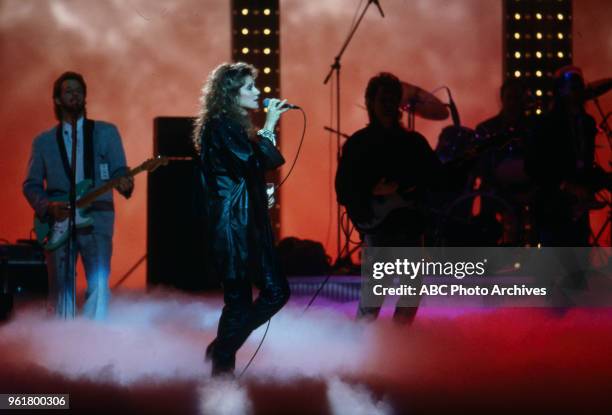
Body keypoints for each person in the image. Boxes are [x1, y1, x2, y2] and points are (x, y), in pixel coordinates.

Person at [193, 62, 290, 376]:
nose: (258, 92)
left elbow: (251, 168)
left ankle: (222, 357)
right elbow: (257, 160)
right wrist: (270, 124)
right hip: (234, 227)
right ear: (230, 93)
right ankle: (222, 358)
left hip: (243, 223)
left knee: (258, 297)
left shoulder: (228, 125)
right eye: (249, 87)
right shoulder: (220, 126)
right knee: (251, 298)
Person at [23, 71, 133, 320]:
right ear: (58, 100)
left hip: (98, 217)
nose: (75, 94)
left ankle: (93, 342)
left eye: (79, 90)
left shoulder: (106, 132)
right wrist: (48, 206)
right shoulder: (43, 142)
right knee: (60, 288)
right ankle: (62, 342)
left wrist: (125, 181)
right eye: (68, 91)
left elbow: (120, 170)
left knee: (98, 284)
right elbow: (31, 184)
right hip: (58, 221)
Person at [335, 72, 443, 324]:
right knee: (373, 296)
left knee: (410, 294)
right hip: (378, 226)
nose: (388, 104)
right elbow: (343, 188)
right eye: (383, 99)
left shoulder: (413, 142)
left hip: (409, 225)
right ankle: (362, 352)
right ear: (371, 102)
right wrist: (372, 190)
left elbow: (436, 178)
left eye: (392, 99)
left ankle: (397, 347)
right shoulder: (358, 144)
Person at [526, 66, 598, 247]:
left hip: (577, 207)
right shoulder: (545, 124)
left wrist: (598, 181)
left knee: (577, 267)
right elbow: (534, 167)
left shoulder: (587, 123)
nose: (576, 91)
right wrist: (566, 185)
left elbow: (584, 164)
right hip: (552, 206)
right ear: (559, 90)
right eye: (571, 86)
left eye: (578, 86)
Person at [472, 78, 537, 246]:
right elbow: (481, 166)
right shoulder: (486, 129)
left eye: (517, 98)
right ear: (502, 99)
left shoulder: (534, 128)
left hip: (530, 189)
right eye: (510, 98)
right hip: (495, 190)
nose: (513, 103)